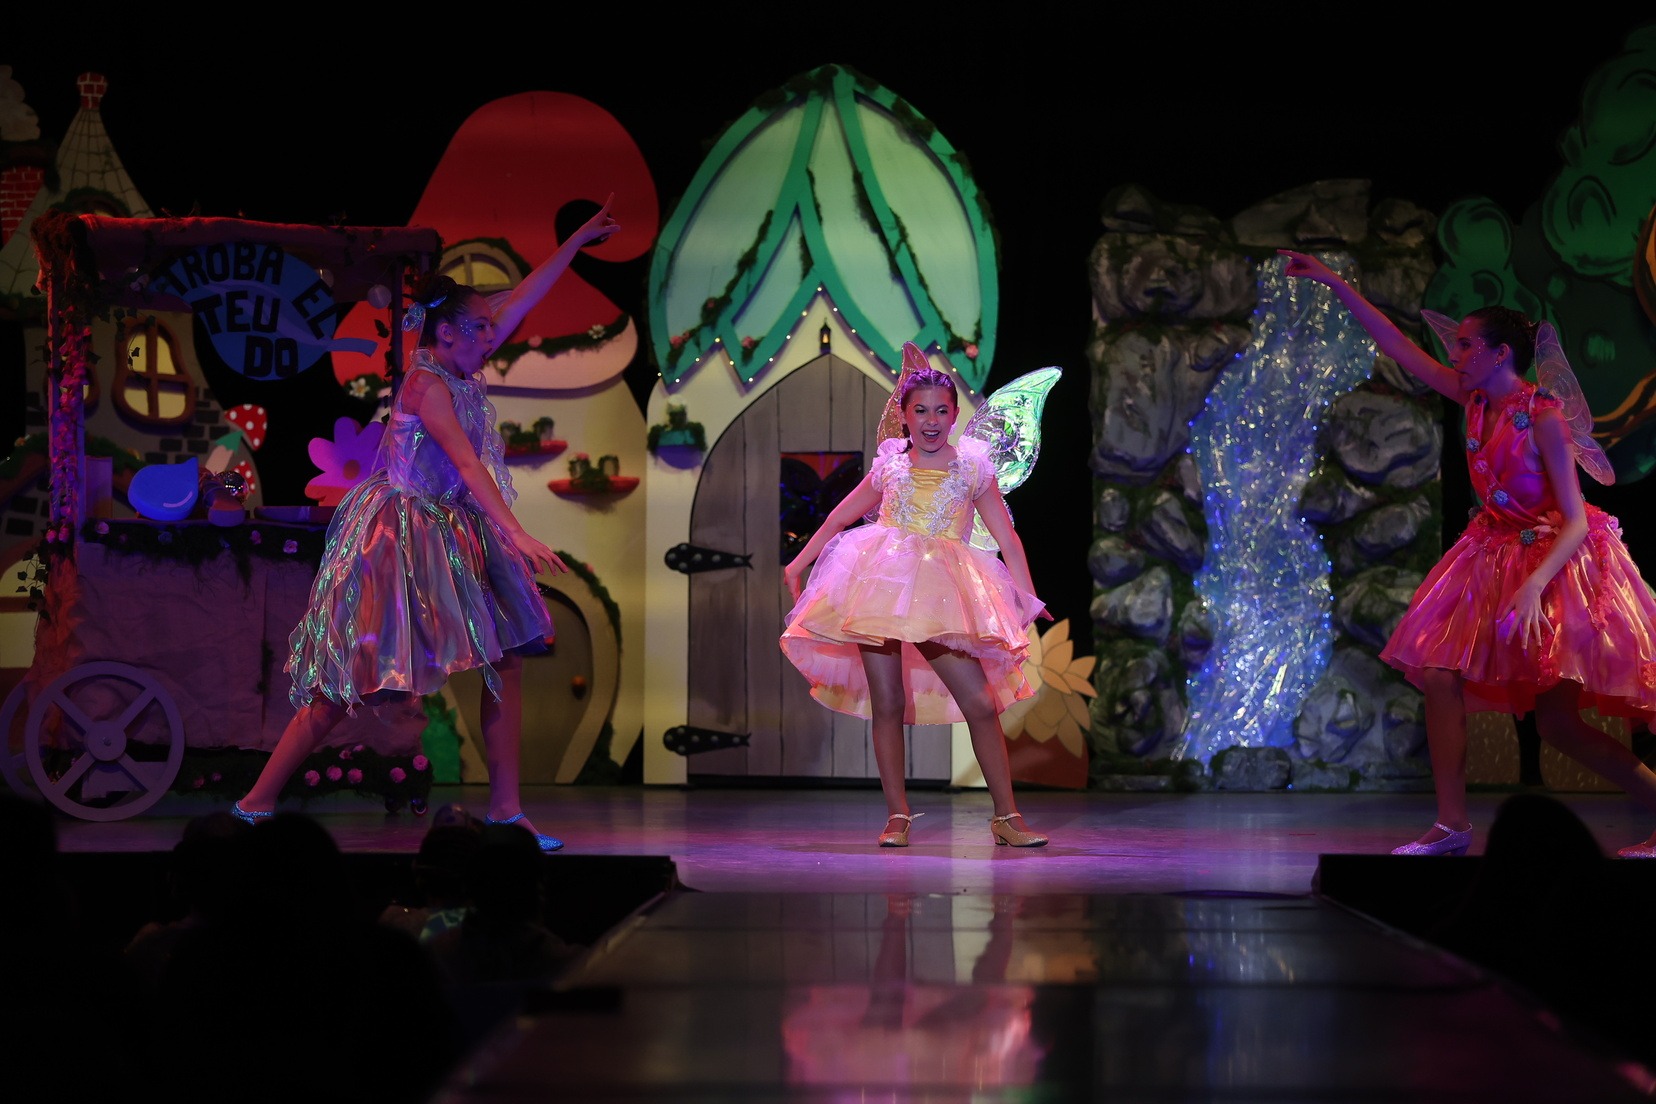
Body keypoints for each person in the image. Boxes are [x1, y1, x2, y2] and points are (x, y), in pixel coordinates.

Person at [232, 197, 621, 851]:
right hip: (402, 537)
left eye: (489, 326)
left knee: (506, 660)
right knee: (349, 680)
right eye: (480, 328)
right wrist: (516, 532)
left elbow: (524, 295)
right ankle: (255, 801)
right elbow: (467, 463)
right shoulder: (427, 386)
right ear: (445, 332)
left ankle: (506, 811)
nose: (492, 336)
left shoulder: (460, 361)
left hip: (455, 530)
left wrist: (575, 243)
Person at [1279, 250, 1656, 856]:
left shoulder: (1544, 417)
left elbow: (1576, 519)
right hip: (1491, 550)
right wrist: (1334, 283)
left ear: (1499, 354)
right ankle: (1452, 824)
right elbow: (1398, 346)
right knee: (1438, 671)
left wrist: (1534, 586)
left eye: (1464, 345)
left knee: (1559, 726)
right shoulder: (1472, 397)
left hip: (1557, 563)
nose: (1453, 353)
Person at [780, 343, 1051, 847]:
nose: (931, 421)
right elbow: (840, 517)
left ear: (955, 415)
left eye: (941, 411)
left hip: (941, 593)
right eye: (920, 410)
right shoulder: (891, 465)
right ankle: (897, 816)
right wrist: (799, 563)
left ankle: (1006, 817)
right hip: (879, 587)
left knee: (980, 702)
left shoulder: (972, 468)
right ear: (903, 415)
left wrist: (1026, 598)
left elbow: (1008, 538)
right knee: (888, 701)